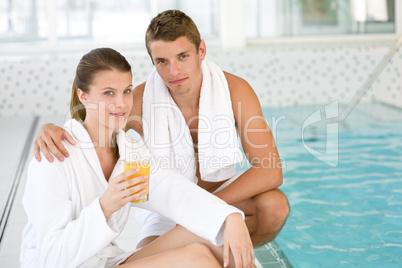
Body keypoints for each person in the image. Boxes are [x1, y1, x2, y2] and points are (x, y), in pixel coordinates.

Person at [33, 10, 289, 249]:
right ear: (152, 61)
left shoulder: (234, 91)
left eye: (183, 56)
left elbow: (270, 170)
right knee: (151, 256)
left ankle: (228, 250)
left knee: (275, 207)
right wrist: (50, 127)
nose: (174, 71)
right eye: (162, 61)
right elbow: (94, 121)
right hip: (168, 210)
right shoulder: (142, 99)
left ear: (201, 50)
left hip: (223, 195)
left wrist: (205, 208)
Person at [21, 47, 255, 268]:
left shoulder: (130, 151)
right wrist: (105, 207)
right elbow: (51, 258)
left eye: (126, 91)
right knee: (199, 259)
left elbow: (174, 191)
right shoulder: (52, 157)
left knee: (217, 240)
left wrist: (231, 217)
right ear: (83, 96)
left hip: (108, 261)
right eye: (108, 93)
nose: (121, 103)